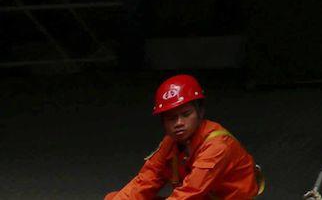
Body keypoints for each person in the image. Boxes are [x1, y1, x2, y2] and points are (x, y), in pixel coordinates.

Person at [106, 73, 263, 200]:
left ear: (200, 112)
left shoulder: (217, 145)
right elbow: (146, 180)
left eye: (186, 114)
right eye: (171, 118)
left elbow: (190, 193)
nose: (179, 123)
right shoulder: (171, 142)